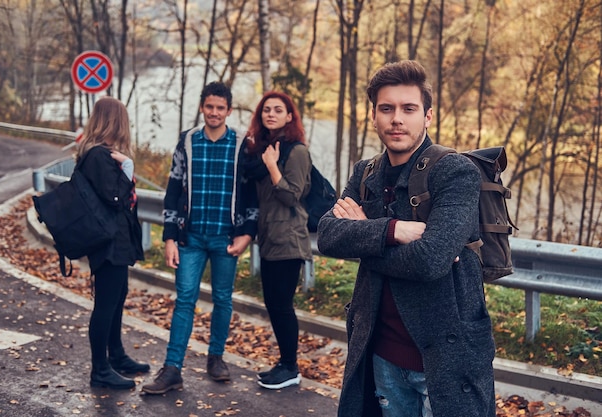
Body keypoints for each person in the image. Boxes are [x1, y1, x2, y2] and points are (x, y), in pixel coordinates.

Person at [317, 60, 496, 417]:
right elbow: (327, 234)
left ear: (427, 116)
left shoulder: (455, 171)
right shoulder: (366, 172)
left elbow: (430, 261)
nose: (396, 118)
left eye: (408, 109)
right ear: (374, 116)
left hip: (446, 358)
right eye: (387, 108)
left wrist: (364, 239)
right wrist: (392, 230)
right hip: (381, 353)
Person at [141, 81, 257, 394]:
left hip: (226, 238)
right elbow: (173, 188)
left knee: (222, 299)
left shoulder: (242, 144)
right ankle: (172, 369)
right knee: (185, 300)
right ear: (202, 107)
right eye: (210, 107)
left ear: (229, 111)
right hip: (190, 238)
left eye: (221, 108)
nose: (215, 113)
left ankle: (216, 358)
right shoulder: (188, 141)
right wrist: (168, 237)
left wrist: (247, 234)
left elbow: (250, 194)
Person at [76, 97, 148, 389]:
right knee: (106, 304)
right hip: (108, 240)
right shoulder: (98, 156)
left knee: (117, 297)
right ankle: (100, 369)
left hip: (115, 238)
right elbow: (115, 198)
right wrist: (128, 169)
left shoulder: (103, 154)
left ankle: (116, 355)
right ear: (117, 121)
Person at [242, 91, 312, 390]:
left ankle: (290, 367)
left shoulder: (295, 151)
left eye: (278, 110)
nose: (270, 114)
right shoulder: (262, 151)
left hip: (289, 238)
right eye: (266, 110)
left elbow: (292, 195)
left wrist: (272, 167)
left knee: (282, 305)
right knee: (273, 304)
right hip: (269, 237)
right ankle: (284, 363)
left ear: (288, 116)